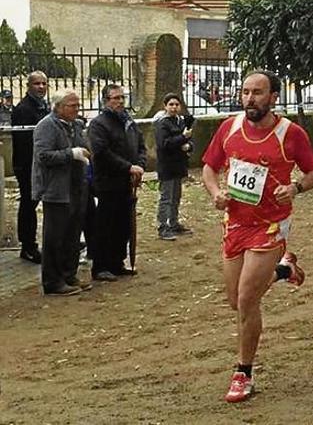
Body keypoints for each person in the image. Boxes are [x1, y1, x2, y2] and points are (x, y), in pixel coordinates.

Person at [202, 70, 313, 403]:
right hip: (236, 223)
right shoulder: (229, 128)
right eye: (245, 92)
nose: (249, 98)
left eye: (257, 92)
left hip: (270, 225)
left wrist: (295, 187)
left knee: (246, 300)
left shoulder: (290, 134)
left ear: (273, 97)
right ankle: (285, 270)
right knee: (234, 300)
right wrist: (215, 193)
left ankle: (244, 372)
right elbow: (210, 167)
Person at [32, 89, 91, 296]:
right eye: (72, 106)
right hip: (55, 189)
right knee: (55, 236)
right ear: (58, 107)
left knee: (72, 234)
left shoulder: (75, 125)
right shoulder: (46, 126)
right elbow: (43, 156)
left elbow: (85, 147)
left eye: (78, 105)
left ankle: (68, 273)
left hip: (76, 185)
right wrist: (70, 154)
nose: (77, 109)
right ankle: (52, 281)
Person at [88, 84, 146, 281]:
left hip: (127, 182)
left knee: (123, 225)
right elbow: (102, 153)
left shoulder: (128, 121)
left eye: (122, 98)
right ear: (106, 101)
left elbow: (140, 146)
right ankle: (101, 266)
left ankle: (117, 262)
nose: (120, 101)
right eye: (115, 98)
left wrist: (139, 166)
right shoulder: (99, 124)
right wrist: (128, 167)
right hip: (108, 182)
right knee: (106, 225)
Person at [11, 71, 51, 264]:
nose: (41, 87)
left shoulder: (44, 106)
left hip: (42, 162)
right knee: (29, 203)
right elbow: (25, 141)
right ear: (29, 86)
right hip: (27, 164)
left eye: (44, 83)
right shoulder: (23, 109)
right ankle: (27, 246)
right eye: (37, 84)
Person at [154, 93, 194, 241]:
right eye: (171, 104)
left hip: (179, 165)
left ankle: (174, 223)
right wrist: (183, 138)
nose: (174, 107)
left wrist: (188, 146)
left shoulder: (180, 121)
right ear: (165, 106)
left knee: (176, 196)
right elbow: (164, 144)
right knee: (166, 197)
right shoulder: (162, 123)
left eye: (176, 104)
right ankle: (163, 226)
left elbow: (190, 139)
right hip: (167, 166)